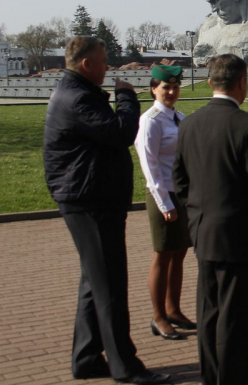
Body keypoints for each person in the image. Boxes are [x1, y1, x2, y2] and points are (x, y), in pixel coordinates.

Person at [43, 36, 170, 384]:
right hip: (90, 200)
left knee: (94, 281)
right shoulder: (78, 97)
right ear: (87, 65)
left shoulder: (76, 92)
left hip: (89, 196)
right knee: (110, 284)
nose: (108, 67)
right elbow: (121, 131)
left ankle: (86, 357)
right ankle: (125, 366)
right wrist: (127, 96)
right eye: (103, 61)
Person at [173, 54, 248, 385]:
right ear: (242, 83)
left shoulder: (189, 123)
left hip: (204, 232)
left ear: (210, 82)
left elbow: (179, 180)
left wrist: (194, 217)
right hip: (239, 236)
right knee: (236, 317)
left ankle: (212, 376)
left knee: (209, 312)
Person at [134, 65, 194, 342]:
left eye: (175, 87)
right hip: (163, 194)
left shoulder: (179, 118)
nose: (171, 92)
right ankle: (158, 317)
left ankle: (174, 310)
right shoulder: (151, 120)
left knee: (180, 252)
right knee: (163, 254)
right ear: (153, 89)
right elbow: (150, 165)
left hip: (181, 194)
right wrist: (164, 203)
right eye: (165, 88)